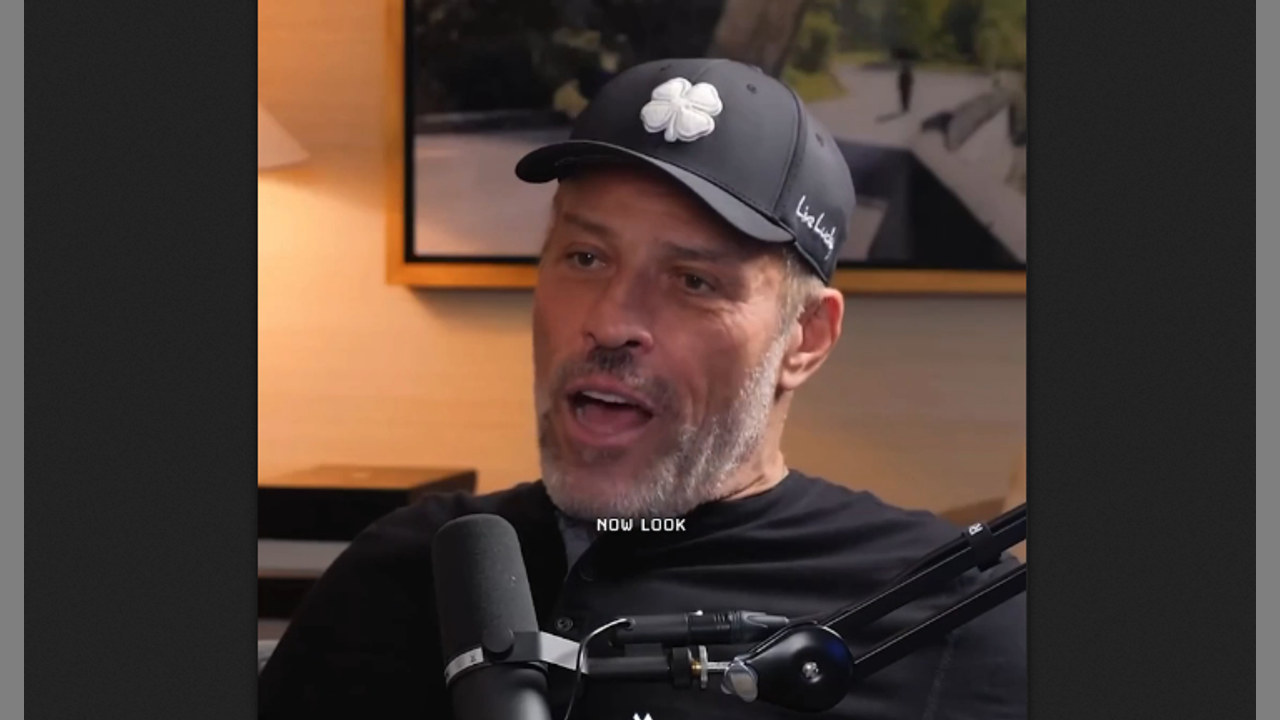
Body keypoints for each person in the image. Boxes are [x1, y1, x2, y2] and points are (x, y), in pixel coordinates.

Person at [257, 57, 1025, 719]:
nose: (610, 321)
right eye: (585, 258)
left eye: (693, 281)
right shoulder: (397, 572)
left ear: (806, 339)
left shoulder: (946, 615)